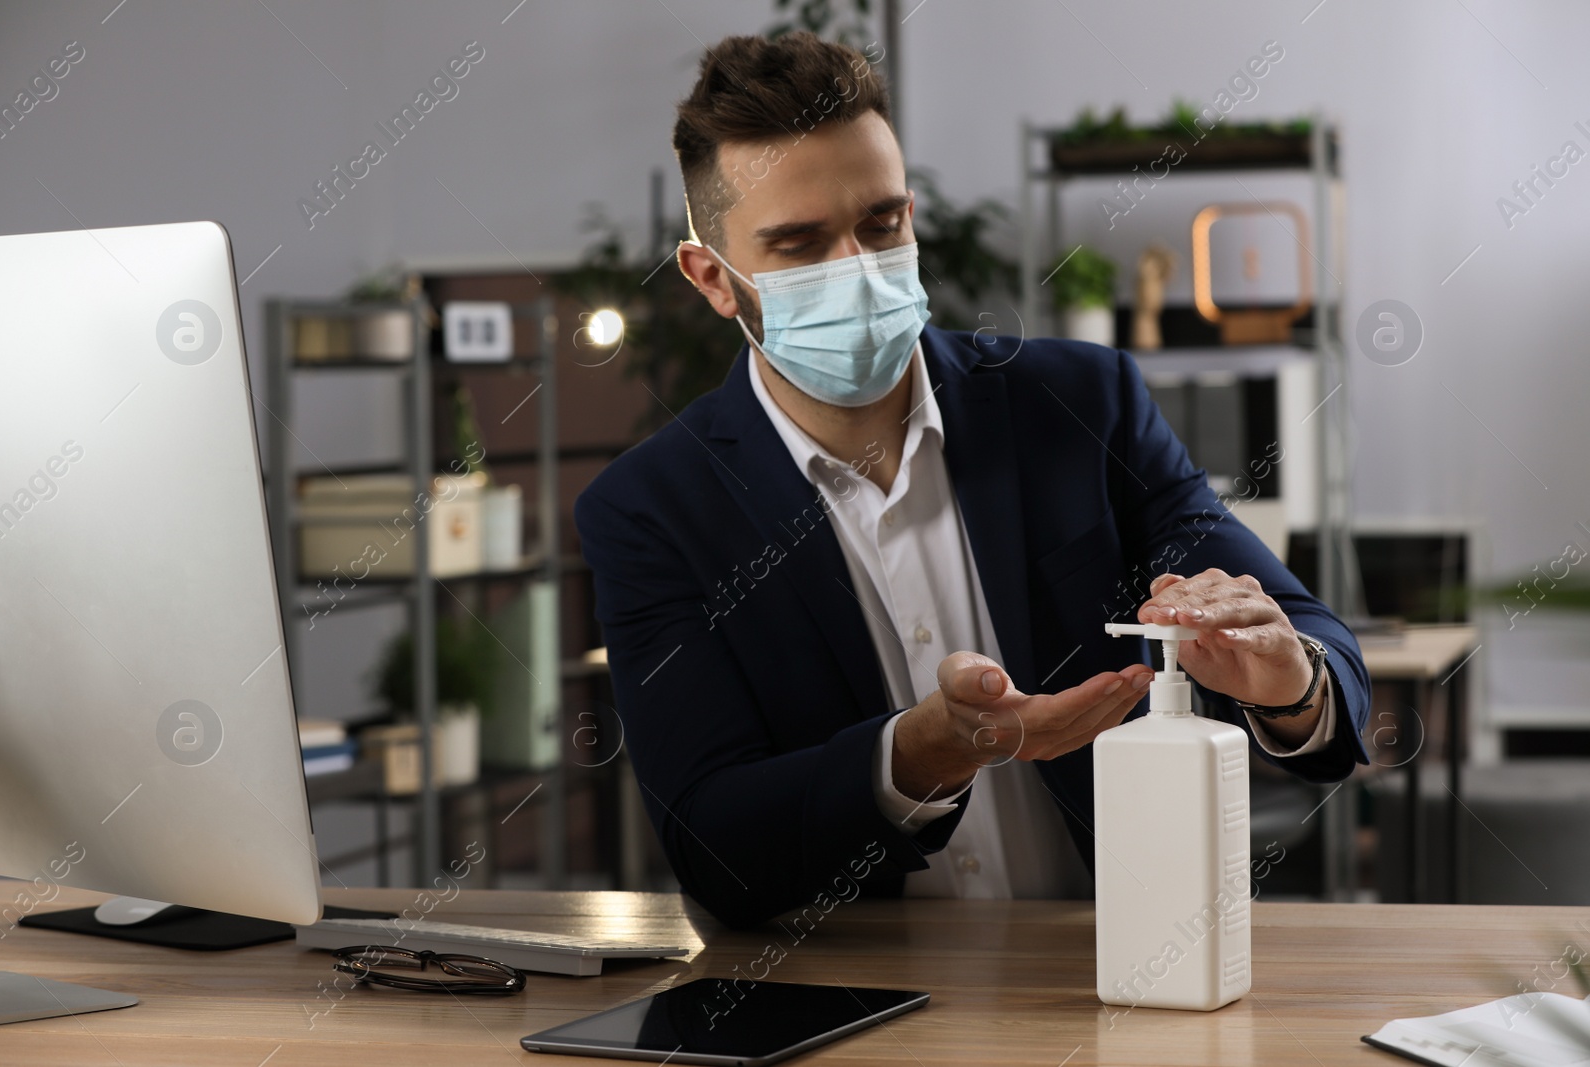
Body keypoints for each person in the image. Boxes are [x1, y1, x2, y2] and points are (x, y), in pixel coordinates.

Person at [574, 31, 1369, 929]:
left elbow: (1313, 641)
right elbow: (712, 845)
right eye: (799, 245)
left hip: (1119, 963)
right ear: (714, 280)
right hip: (854, 1009)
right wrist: (913, 757)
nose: (861, 272)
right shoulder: (652, 510)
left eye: (882, 223)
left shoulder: (1081, 404)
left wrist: (1289, 682)